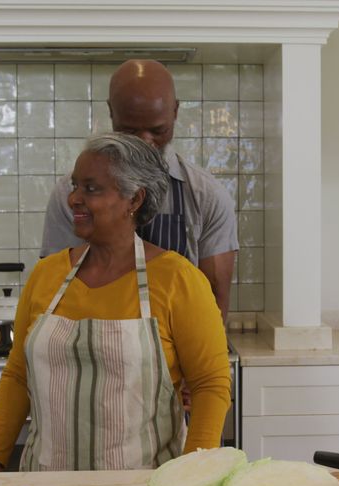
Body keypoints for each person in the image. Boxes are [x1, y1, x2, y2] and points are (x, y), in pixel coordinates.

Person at [0, 133, 231, 472]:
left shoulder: (179, 280)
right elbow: (18, 375)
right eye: (75, 186)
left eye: (91, 189)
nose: (73, 200)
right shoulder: (46, 275)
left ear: (134, 199)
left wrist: (192, 477)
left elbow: (210, 386)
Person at [40, 59, 237, 318]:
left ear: (175, 112)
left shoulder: (207, 196)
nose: (145, 142)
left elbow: (214, 301)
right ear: (111, 112)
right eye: (130, 130)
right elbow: (53, 289)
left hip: (174, 355)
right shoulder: (72, 196)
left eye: (158, 130)